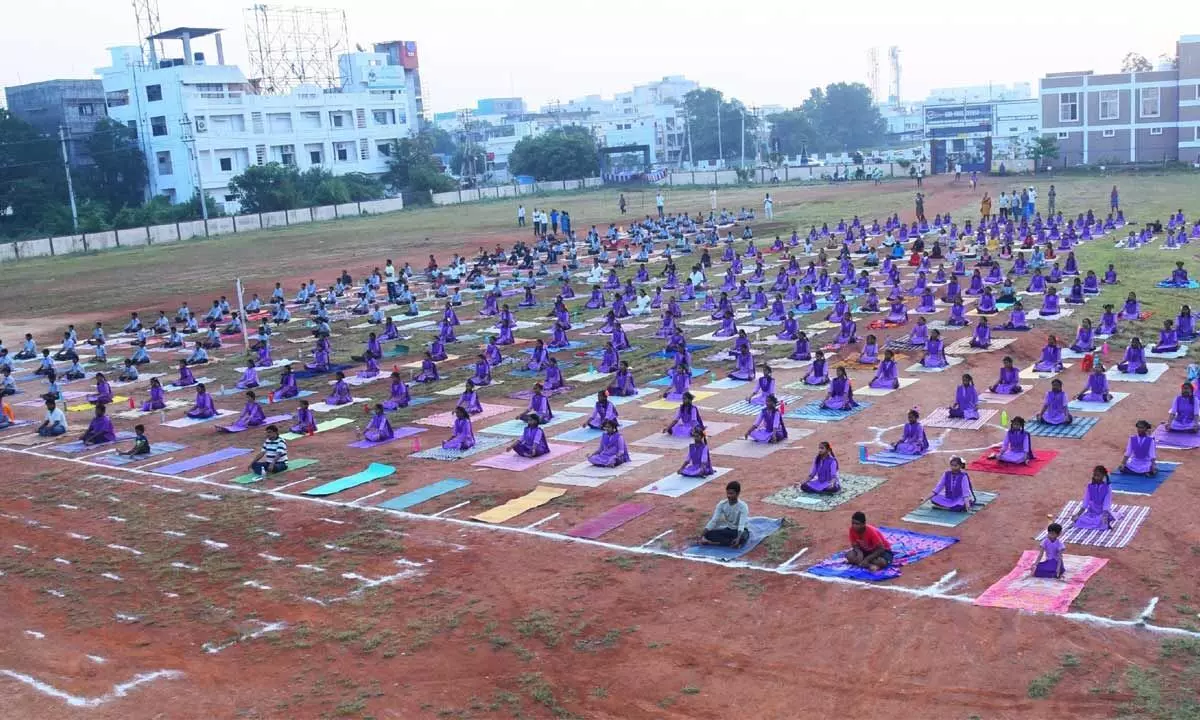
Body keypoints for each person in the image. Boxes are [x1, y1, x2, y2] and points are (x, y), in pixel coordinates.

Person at [699, 481, 749, 548]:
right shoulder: (722, 504)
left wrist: (738, 538)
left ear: (738, 494)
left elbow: (741, 525)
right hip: (729, 530)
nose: (729, 496)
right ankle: (731, 543)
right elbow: (714, 520)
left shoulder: (743, 506)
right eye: (728, 493)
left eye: (731, 494)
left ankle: (717, 542)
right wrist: (702, 535)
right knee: (708, 534)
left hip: (740, 531)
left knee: (742, 538)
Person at [1071, 465, 1117, 531]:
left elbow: (1107, 503)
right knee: (1079, 520)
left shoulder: (1107, 487)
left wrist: (1104, 516)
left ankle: (1103, 523)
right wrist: (1078, 514)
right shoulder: (1090, 486)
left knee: (1101, 521)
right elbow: (1086, 501)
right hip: (1091, 512)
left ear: (1103, 476)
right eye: (1095, 475)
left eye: (1098, 475)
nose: (1096, 477)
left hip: (1103, 513)